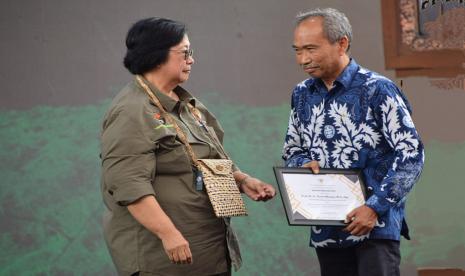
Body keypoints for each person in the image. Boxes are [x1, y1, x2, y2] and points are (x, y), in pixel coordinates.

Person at [100, 17, 275, 276]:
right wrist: (168, 233)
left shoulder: (187, 104)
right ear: (156, 55)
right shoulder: (131, 111)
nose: (191, 59)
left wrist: (241, 179)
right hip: (163, 259)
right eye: (185, 52)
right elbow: (128, 185)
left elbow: (208, 156)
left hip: (207, 252)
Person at [282, 8, 424, 276]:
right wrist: (303, 163)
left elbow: (411, 154)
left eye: (311, 49)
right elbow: (292, 149)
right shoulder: (301, 94)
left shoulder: (378, 89)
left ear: (342, 43)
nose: (303, 59)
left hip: (375, 228)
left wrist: (374, 208)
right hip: (327, 228)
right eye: (298, 50)